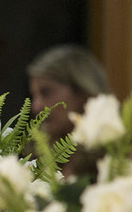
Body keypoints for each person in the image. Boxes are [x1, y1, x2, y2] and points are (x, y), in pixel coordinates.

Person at [27, 43, 109, 178]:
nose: (36, 107)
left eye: (46, 92)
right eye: (34, 95)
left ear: (83, 92)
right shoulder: (39, 159)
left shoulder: (119, 156)